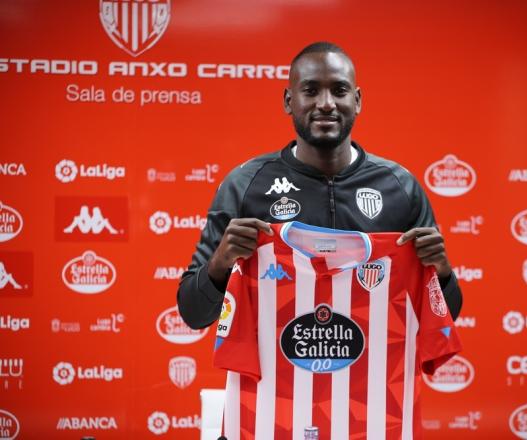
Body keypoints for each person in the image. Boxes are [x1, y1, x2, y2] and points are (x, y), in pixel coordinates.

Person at [177, 41, 462, 329]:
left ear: (358, 100)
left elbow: (445, 319)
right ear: (289, 101)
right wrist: (219, 265)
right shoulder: (244, 185)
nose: (326, 103)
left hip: (374, 373)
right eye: (311, 90)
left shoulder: (400, 187)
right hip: (275, 374)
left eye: (339, 90)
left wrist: (443, 273)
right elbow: (193, 314)